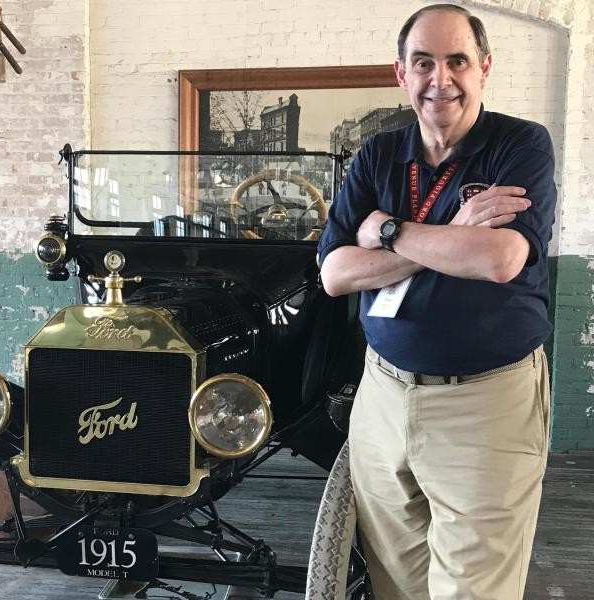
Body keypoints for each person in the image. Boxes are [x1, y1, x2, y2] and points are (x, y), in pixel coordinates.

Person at [317, 4, 556, 600]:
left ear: (484, 69)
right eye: (423, 62)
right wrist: (454, 229)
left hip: (485, 403)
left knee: (474, 588)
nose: (439, 79)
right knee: (395, 577)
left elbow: (499, 260)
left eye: (457, 61)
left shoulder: (520, 145)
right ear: (401, 73)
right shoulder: (376, 155)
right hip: (382, 395)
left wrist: (391, 231)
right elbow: (336, 274)